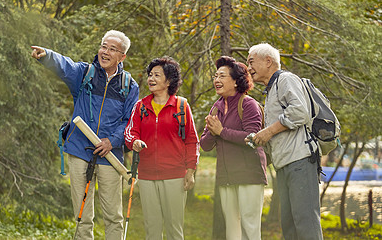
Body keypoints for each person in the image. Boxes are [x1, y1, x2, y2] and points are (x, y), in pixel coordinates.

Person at [31, 30, 139, 240]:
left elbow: (129, 121)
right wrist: (47, 55)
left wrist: (112, 141)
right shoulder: (84, 73)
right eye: (103, 46)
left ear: (122, 56)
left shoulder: (129, 85)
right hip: (80, 151)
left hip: (110, 157)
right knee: (82, 216)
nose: (105, 52)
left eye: (112, 49)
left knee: (113, 217)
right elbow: (65, 66)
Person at [246, 43, 323, 240]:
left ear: (268, 61)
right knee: (289, 227)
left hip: (300, 161)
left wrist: (269, 131)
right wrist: (259, 140)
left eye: (251, 62)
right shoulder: (271, 90)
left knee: (306, 224)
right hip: (285, 165)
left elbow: (300, 112)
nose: (248, 68)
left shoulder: (286, 79)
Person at [124, 56, 199, 240]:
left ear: (169, 81)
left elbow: (192, 140)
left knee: (174, 230)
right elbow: (129, 133)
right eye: (150, 74)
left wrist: (190, 171)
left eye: (157, 75)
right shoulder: (140, 106)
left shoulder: (181, 106)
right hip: (148, 176)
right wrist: (134, 141)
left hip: (175, 176)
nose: (151, 78)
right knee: (152, 229)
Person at [200, 56, 267, 240]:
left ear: (237, 81)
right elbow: (205, 145)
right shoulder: (216, 107)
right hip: (226, 177)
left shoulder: (248, 104)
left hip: (249, 175)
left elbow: (252, 138)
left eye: (222, 76)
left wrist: (221, 131)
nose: (216, 80)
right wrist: (213, 133)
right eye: (215, 76)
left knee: (249, 228)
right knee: (232, 230)